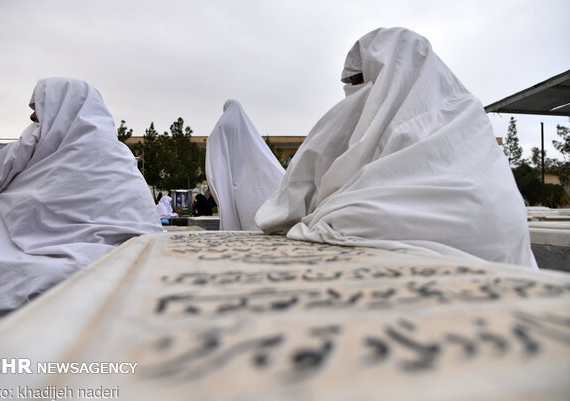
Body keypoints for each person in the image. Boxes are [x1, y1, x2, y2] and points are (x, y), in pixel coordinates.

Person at [255, 27, 536, 268]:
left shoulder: (395, 118)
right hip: (508, 259)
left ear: (382, 75)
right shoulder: (468, 115)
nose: (352, 93)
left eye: (356, 81)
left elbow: (300, 203)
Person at [0, 77, 163, 336]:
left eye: (37, 106)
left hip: (29, 259)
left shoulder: (32, 141)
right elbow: (144, 218)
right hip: (122, 262)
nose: (32, 117)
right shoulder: (120, 155)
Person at [206, 99, 285, 231]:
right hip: (252, 177)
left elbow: (218, 161)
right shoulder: (246, 126)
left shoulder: (221, 126)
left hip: (235, 179)